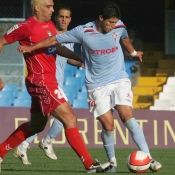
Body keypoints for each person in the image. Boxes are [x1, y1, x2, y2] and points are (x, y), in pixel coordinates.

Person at [18, 1, 162, 173]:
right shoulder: (83, 31)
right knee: (108, 125)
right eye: (109, 22)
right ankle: (112, 162)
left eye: (114, 22)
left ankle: (148, 157)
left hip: (118, 78)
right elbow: (54, 40)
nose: (112, 26)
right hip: (96, 85)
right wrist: (31, 47)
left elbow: (124, 37)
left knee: (126, 115)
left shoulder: (119, 25)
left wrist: (132, 52)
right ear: (101, 18)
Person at [0, 0, 111, 173]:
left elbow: (56, 47)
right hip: (41, 81)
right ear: (37, 8)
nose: (52, 9)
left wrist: (81, 59)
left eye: (52, 6)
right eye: (49, 6)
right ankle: (89, 164)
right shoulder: (25, 26)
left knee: (36, 126)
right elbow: (1, 41)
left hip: (47, 81)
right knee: (70, 118)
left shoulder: (50, 26)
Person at [14, 3, 83, 165]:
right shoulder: (50, 34)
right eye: (61, 16)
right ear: (56, 17)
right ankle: (46, 141)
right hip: (47, 82)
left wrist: (82, 63)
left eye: (67, 17)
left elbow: (67, 58)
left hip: (56, 82)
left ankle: (25, 145)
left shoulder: (69, 37)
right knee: (67, 117)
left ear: (70, 19)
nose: (64, 20)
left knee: (44, 121)